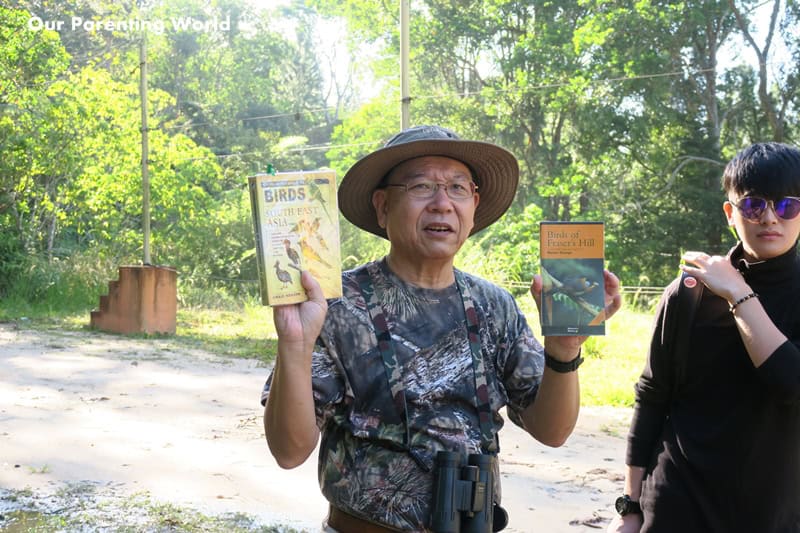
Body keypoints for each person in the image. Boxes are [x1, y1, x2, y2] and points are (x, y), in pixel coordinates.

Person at [262, 124, 622, 532]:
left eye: (457, 188)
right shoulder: (335, 305)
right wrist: (294, 342)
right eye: (421, 187)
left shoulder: (494, 306)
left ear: (474, 205)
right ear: (382, 206)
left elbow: (553, 432)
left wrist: (563, 351)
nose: (442, 203)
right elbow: (289, 452)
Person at [607, 142, 800, 533]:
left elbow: (791, 384)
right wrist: (629, 509)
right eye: (753, 205)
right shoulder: (689, 292)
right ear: (731, 213)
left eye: (787, 206)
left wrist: (738, 293)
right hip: (676, 503)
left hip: (774, 512)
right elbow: (652, 395)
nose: (770, 219)